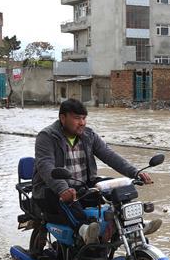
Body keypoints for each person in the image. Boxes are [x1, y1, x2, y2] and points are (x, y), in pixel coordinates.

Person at [32, 99, 160, 250]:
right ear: (63, 118)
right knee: (65, 198)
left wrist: (135, 172)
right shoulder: (47, 136)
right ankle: (84, 231)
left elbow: (109, 155)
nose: (82, 123)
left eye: (84, 118)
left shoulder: (89, 135)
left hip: (84, 185)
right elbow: (46, 165)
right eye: (77, 118)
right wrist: (62, 188)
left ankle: (135, 226)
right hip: (52, 189)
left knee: (120, 188)